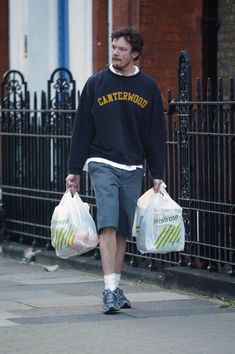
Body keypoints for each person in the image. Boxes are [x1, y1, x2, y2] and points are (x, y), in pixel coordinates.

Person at [66, 27, 166, 314]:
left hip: (133, 166)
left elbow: (155, 134)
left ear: (135, 53)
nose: (115, 53)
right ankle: (108, 290)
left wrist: (157, 172)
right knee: (107, 221)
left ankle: (116, 286)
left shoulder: (148, 87)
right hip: (103, 163)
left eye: (121, 49)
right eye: (113, 47)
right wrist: (75, 169)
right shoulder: (96, 83)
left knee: (122, 228)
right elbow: (82, 129)